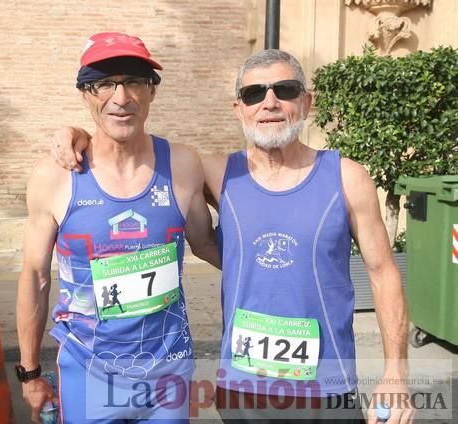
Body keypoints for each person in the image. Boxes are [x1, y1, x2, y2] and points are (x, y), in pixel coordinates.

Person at [52, 49, 413, 423]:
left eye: (284, 90)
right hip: (242, 390)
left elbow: (384, 274)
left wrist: (396, 376)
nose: (269, 103)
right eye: (255, 94)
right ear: (238, 108)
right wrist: (78, 134)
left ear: (306, 103)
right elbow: (136, 146)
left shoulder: (347, 177)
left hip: (325, 387)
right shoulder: (217, 173)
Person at [16, 32, 219, 423]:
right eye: (104, 84)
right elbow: (36, 278)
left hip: (167, 374)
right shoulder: (54, 177)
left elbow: (207, 244)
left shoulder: (183, 165)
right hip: (88, 371)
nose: (120, 98)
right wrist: (30, 372)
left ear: (152, 91)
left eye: (134, 82)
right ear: (85, 94)